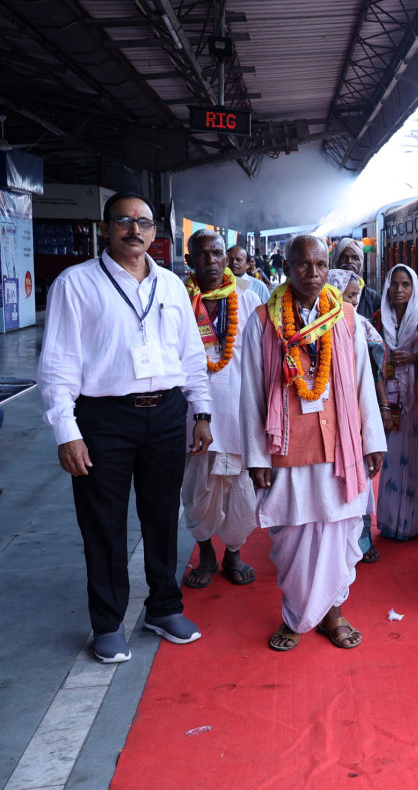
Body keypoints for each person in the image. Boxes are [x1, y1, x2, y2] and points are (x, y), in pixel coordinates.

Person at [38, 191, 211, 663]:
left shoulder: (173, 286)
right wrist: (66, 431)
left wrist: (201, 412)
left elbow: (192, 356)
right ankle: (108, 623)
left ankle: (164, 607)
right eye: (124, 221)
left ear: (156, 232)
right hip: (104, 419)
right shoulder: (76, 284)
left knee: (161, 515)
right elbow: (57, 365)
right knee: (103, 522)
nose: (135, 230)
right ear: (105, 227)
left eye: (144, 223)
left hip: (168, 413)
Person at [239, 234, 386, 651]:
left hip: (339, 447)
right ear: (286, 268)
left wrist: (372, 441)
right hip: (285, 446)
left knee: (338, 531)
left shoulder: (346, 318)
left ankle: (333, 613)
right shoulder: (263, 321)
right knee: (292, 535)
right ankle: (296, 614)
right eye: (304, 265)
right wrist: (255, 456)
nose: (314, 273)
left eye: (321, 265)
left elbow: (362, 386)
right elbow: (250, 391)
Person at [180, 231, 260, 588]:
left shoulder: (249, 299)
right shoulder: (179, 300)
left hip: (238, 414)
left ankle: (233, 553)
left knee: (240, 488)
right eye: (202, 254)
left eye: (217, 253)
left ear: (227, 260)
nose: (210, 260)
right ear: (190, 260)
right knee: (196, 489)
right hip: (190, 412)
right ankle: (206, 554)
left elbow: (261, 361)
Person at [331, 269, 389, 564]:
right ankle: (337, 546)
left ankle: (361, 541)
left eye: (356, 296)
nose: (354, 301)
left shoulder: (358, 324)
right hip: (329, 419)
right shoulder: (317, 326)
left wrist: (381, 408)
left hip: (355, 415)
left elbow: (374, 371)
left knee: (361, 485)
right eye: (349, 295)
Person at [376, 264, 418, 541]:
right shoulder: (379, 318)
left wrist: (414, 358)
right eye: (395, 284)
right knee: (390, 460)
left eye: (405, 284)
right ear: (387, 285)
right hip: (388, 401)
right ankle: (390, 522)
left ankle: (414, 523)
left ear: (414, 288)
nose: (399, 290)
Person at [331, 237, 379, 319]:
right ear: (336, 261)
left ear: (361, 264)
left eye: (355, 258)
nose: (349, 261)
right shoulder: (325, 293)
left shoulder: (372, 298)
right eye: (343, 257)